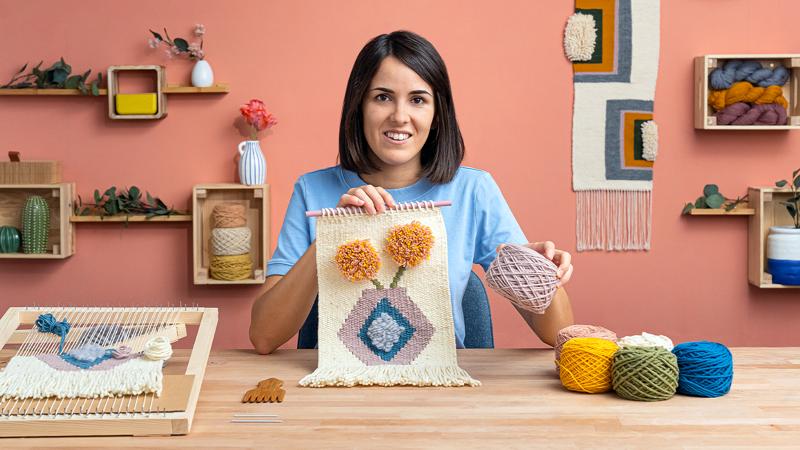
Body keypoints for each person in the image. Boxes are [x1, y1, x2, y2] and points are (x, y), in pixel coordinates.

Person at [250, 30, 574, 355]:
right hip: (341, 390)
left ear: (436, 115)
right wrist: (334, 235)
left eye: (418, 100)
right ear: (359, 107)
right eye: (382, 97)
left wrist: (539, 271)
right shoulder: (312, 190)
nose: (400, 117)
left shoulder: (473, 190)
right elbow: (264, 337)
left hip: (442, 388)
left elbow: (556, 333)